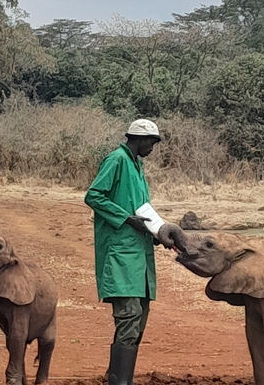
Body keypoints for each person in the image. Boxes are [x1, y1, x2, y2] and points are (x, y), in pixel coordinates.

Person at [84, 120, 177, 385]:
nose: (153, 147)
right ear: (137, 139)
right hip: (121, 257)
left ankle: (120, 378)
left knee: (138, 320)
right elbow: (94, 196)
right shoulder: (116, 161)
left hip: (138, 257)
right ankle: (119, 381)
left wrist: (155, 232)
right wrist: (126, 219)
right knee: (129, 318)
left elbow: (142, 210)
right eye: (152, 142)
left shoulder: (137, 167)